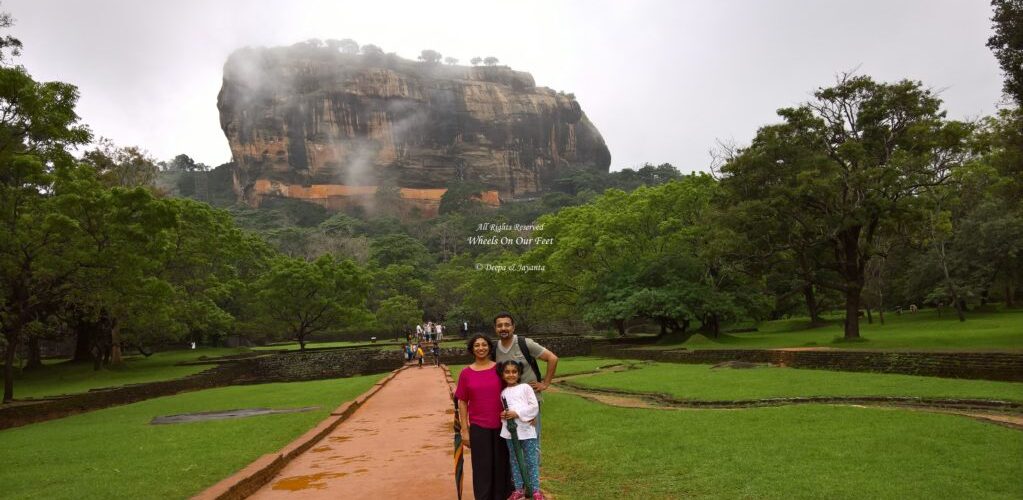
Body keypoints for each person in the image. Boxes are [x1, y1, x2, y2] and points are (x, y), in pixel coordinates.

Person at [455, 335, 513, 500]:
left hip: (502, 425)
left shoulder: (500, 369)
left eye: (484, 345)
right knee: (482, 468)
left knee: (501, 465)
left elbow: (512, 391)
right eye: (477, 345)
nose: (481, 348)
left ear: (489, 347)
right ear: (472, 349)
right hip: (479, 427)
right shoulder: (466, 373)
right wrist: (464, 430)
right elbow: (462, 402)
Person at [492, 312, 558, 445]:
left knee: (532, 440)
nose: (503, 328)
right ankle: (516, 466)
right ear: (495, 329)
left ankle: (533, 466)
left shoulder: (524, 343)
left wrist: (545, 383)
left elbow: (552, 358)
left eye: (507, 325)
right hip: (508, 402)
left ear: (513, 327)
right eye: (499, 326)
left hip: (530, 401)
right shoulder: (494, 349)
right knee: (512, 441)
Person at [498, 360, 543, 500]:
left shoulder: (525, 388)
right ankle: (518, 489)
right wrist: (504, 415)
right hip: (510, 433)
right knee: (515, 460)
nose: (511, 375)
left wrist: (516, 413)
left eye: (514, 372)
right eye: (507, 372)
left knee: (531, 460)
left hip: (527, 431)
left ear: (519, 374)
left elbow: (534, 407)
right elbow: (506, 411)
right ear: (502, 374)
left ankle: (535, 490)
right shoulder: (503, 393)